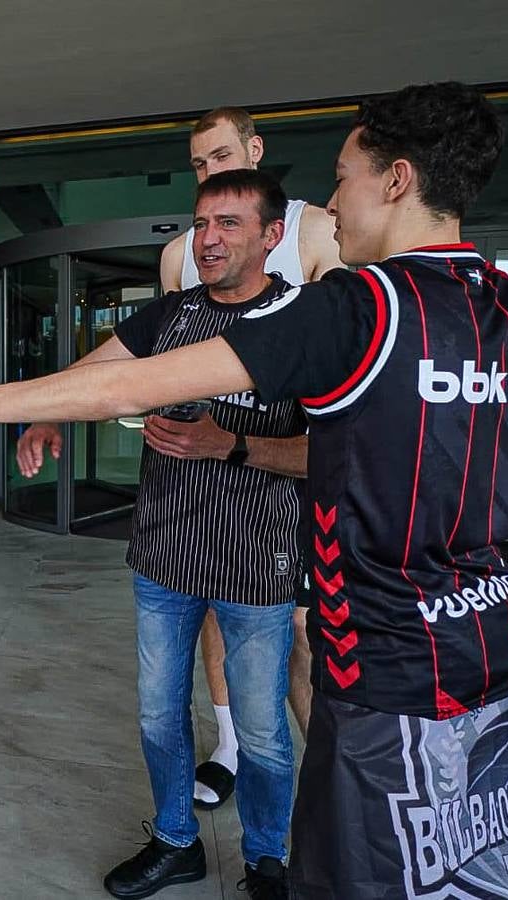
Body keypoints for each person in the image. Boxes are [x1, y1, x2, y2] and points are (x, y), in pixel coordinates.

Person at [0, 82, 508, 898]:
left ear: (397, 179)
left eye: (342, 178)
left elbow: (130, 389)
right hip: (498, 661)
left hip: (382, 675)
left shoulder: (358, 307)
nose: (332, 206)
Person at [29, 169, 306, 898]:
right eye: (201, 223)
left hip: (258, 561)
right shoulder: (168, 315)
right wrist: (44, 413)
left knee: (264, 733)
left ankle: (267, 858)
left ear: (271, 236)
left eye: (229, 224)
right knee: (158, 715)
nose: (207, 239)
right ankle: (176, 840)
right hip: (164, 553)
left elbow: (332, 453)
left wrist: (232, 444)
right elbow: (98, 374)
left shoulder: (308, 323)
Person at [156, 107, 343, 808]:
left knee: (297, 629)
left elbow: (346, 364)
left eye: (223, 155)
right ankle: (231, 746)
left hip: (290, 475)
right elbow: (174, 364)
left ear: (255, 149)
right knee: (211, 610)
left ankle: (329, 778)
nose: (213, 171)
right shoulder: (181, 255)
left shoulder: (316, 231)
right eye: (200, 163)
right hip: (210, 479)